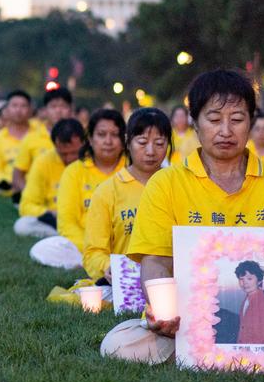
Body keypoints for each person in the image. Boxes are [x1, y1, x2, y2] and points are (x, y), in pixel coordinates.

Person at [100, 69, 264, 370]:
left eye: (237, 119)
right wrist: (160, 310)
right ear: (195, 124)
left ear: (252, 122)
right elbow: (154, 261)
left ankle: (219, 357)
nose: (226, 131)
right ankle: (215, 354)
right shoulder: (166, 183)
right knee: (117, 346)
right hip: (186, 321)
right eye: (215, 119)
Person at [82, 108, 172, 285]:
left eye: (160, 143)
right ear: (127, 142)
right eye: (142, 142)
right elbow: (93, 252)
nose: (151, 151)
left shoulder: (177, 185)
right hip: (126, 282)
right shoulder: (108, 191)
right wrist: (107, 266)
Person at [29, 108, 126, 269]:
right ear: (90, 138)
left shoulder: (133, 168)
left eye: (115, 135)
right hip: (84, 245)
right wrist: (93, 250)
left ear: (124, 140)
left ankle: (109, 264)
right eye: (101, 135)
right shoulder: (74, 171)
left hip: (126, 245)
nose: (108, 141)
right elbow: (67, 223)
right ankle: (100, 264)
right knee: (42, 249)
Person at [14, 119, 86, 238]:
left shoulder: (94, 159)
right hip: (56, 219)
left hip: (87, 219)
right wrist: (49, 213)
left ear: (84, 143)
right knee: (22, 225)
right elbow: (26, 205)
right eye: (63, 153)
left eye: (74, 153)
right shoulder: (43, 161)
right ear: (54, 145)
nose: (68, 159)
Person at [11, 88, 74, 194]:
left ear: (71, 110)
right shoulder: (31, 138)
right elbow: (17, 176)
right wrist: (30, 195)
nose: (58, 111)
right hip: (40, 196)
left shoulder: (80, 139)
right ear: (45, 111)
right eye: (53, 106)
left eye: (63, 106)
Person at [234, 261, 264, 345]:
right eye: (241, 279)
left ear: (259, 281)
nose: (245, 283)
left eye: (249, 279)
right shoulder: (246, 301)